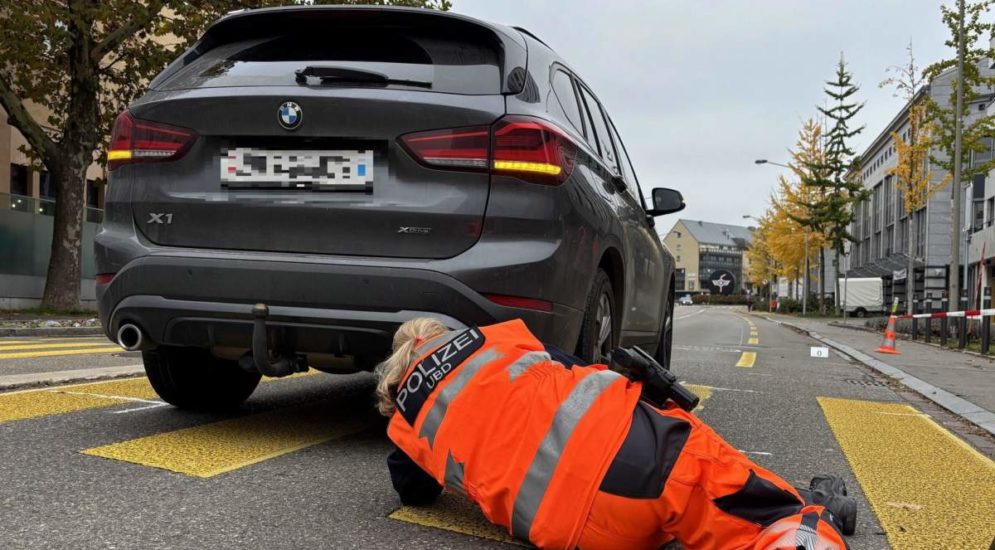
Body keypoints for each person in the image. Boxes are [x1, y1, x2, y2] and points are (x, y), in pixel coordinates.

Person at [377, 318, 854, 550]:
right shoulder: (496, 339)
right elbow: (576, 371)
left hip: (579, 533)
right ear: (445, 335)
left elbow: (415, 494)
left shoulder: (405, 424)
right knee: (758, 508)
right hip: (634, 457)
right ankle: (810, 513)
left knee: (675, 514)